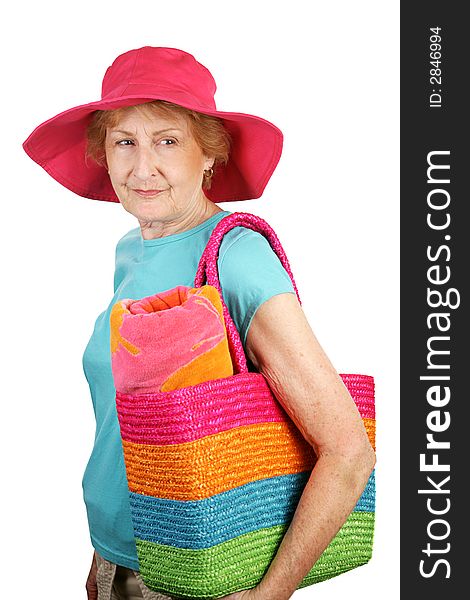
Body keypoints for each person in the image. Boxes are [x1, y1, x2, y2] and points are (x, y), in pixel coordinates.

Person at [23, 46, 376, 600]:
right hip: (118, 561)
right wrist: (104, 557)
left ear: (209, 153)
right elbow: (132, 424)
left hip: (193, 576)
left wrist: (269, 596)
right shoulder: (130, 248)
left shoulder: (236, 256)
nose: (143, 168)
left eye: (167, 140)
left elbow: (349, 451)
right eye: (125, 142)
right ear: (104, 154)